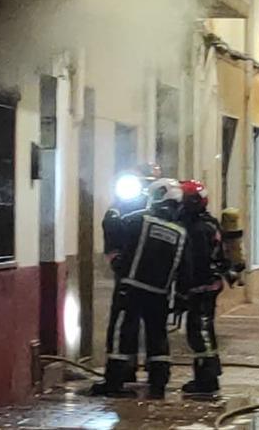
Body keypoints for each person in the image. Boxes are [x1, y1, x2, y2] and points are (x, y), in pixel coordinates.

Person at [91, 178, 187, 399]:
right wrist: (181, 297)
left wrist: (114, 210)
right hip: (160, 294)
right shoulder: (180, 233)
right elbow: (185, 268)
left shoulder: (138, 220)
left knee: (121, 333)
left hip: (131, 288)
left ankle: (114, 382)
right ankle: (158, 383)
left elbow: (114, 229)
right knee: (158, 337)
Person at [99, 163, 160, 384]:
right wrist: (120, 265)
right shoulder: (117, 213)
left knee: (154, 326)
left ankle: (155, 373)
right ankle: (124, 370)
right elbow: (112, 240)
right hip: (128, 279)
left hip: (152, 279)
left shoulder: (155, 212)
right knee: (124, 324)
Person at [175, 180, 229, 396]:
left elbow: (192, 263)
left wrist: (182, 291)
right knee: (203, 329)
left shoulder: (196, 228)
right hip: (210, 283)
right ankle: (208, 375)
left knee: (199, 331)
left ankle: (207, 379)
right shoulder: (209, 222)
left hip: (201, 286)